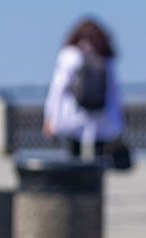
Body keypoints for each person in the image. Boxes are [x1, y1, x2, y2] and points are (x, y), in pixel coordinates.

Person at [42, 17, 124, 161]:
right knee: (100, 158)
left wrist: (50, 117)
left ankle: (77, 182)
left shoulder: (69, 55)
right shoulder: (104, 56)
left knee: (73, 156)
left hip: (73, 116)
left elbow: (57, 90)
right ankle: (95, 181)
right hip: (101, 117)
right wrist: (119, 122)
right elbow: (114, 92)